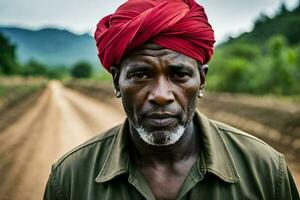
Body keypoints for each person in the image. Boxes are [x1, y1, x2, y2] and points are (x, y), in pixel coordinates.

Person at [43, 0, 299, 199]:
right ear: (116, 82)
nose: (161, 95)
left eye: (179, 74)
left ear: (202, 81)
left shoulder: (266, 172)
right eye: (141, 75)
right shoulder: (70, 179)